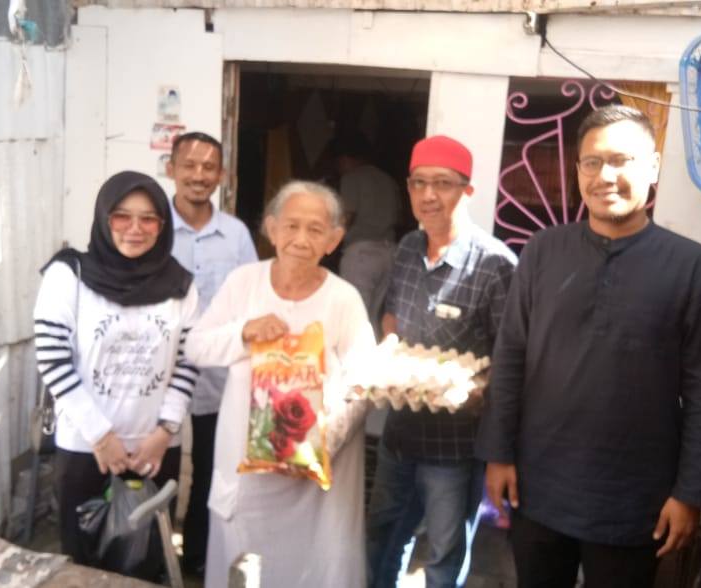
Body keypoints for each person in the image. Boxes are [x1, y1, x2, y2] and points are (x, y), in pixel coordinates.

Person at [477, 104, 701, 588]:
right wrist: (498, 453)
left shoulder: (694, 269)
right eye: (591, 162)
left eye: (621, 161)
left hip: (634, 500)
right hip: (538, 484)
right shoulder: (542, 252)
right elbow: (510, 358)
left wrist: (690, 493)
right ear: (578, 171)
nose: (604, 176)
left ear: (653, 168)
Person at [185, 180, 375, 588]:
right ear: (271, 229)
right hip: (248, 476)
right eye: (291, 226)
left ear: (333, 240)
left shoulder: (344, 299)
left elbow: (363, 382)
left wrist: (317, 442)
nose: (301, 240)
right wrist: (244, 332)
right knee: (245, 564)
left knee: (315, 566)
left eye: (315, 229)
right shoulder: (243, 283)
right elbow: (196, 347)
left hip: (316, 479)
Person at [367, 135, 517, 588]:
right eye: (419, 183)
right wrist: (390, 352)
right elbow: (392, 316)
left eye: (443, 183)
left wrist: (470, 390)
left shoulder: (495, 265)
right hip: (399, 434)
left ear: (467, 191)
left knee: (444, 553)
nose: (428, 195)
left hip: (454, 449)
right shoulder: (408, 248)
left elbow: (510, 359)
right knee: (383, 536)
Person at [33, 171, 200, 572]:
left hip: (154, 450)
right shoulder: (69, 275)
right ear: (104, 218)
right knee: (85, 563)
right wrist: (101, 436)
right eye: (122, 216)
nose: (135, 228)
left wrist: (164, 432)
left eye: (148, 218)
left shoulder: (180, 285)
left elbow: (188, 361)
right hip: (86, 448)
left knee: (147, 560)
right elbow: (53, 360)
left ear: (162, 225)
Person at [166, 131, 258, 576]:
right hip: (160, 373)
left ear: (222, 176)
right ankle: (153, 557)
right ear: (172, 169)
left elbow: (252, 297)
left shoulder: (236, 234)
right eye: (189, 165)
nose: (198, 176)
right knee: (160, 465)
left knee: (210, 466)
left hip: (217, 374)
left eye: (208, 168)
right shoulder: (153, 226)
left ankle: (198, 559)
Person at [331, 132, 402, 336]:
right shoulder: (387, 179)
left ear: (345, 158)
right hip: (389, 251)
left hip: (361, 254)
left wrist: (330, 243)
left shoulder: (352, 178)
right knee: (371, 316)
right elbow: (399, 217)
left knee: (352, 316)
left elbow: (347, 215)